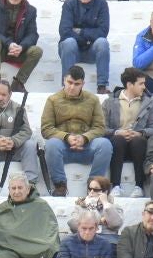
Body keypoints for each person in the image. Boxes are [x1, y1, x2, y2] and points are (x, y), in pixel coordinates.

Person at [41, 65, 112, 195]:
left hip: (87, 146)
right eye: (69, 82)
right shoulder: (53, 100)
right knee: (51, 144)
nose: (72, 87)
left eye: (76, 84)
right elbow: (46, 129)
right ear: (64, 80)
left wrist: (84, 138)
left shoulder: (92, 100)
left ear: (83, 84)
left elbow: (100, 127)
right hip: (63, 147)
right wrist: (66, 137)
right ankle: (60, 185)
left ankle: (94, 185)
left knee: (105, 144)